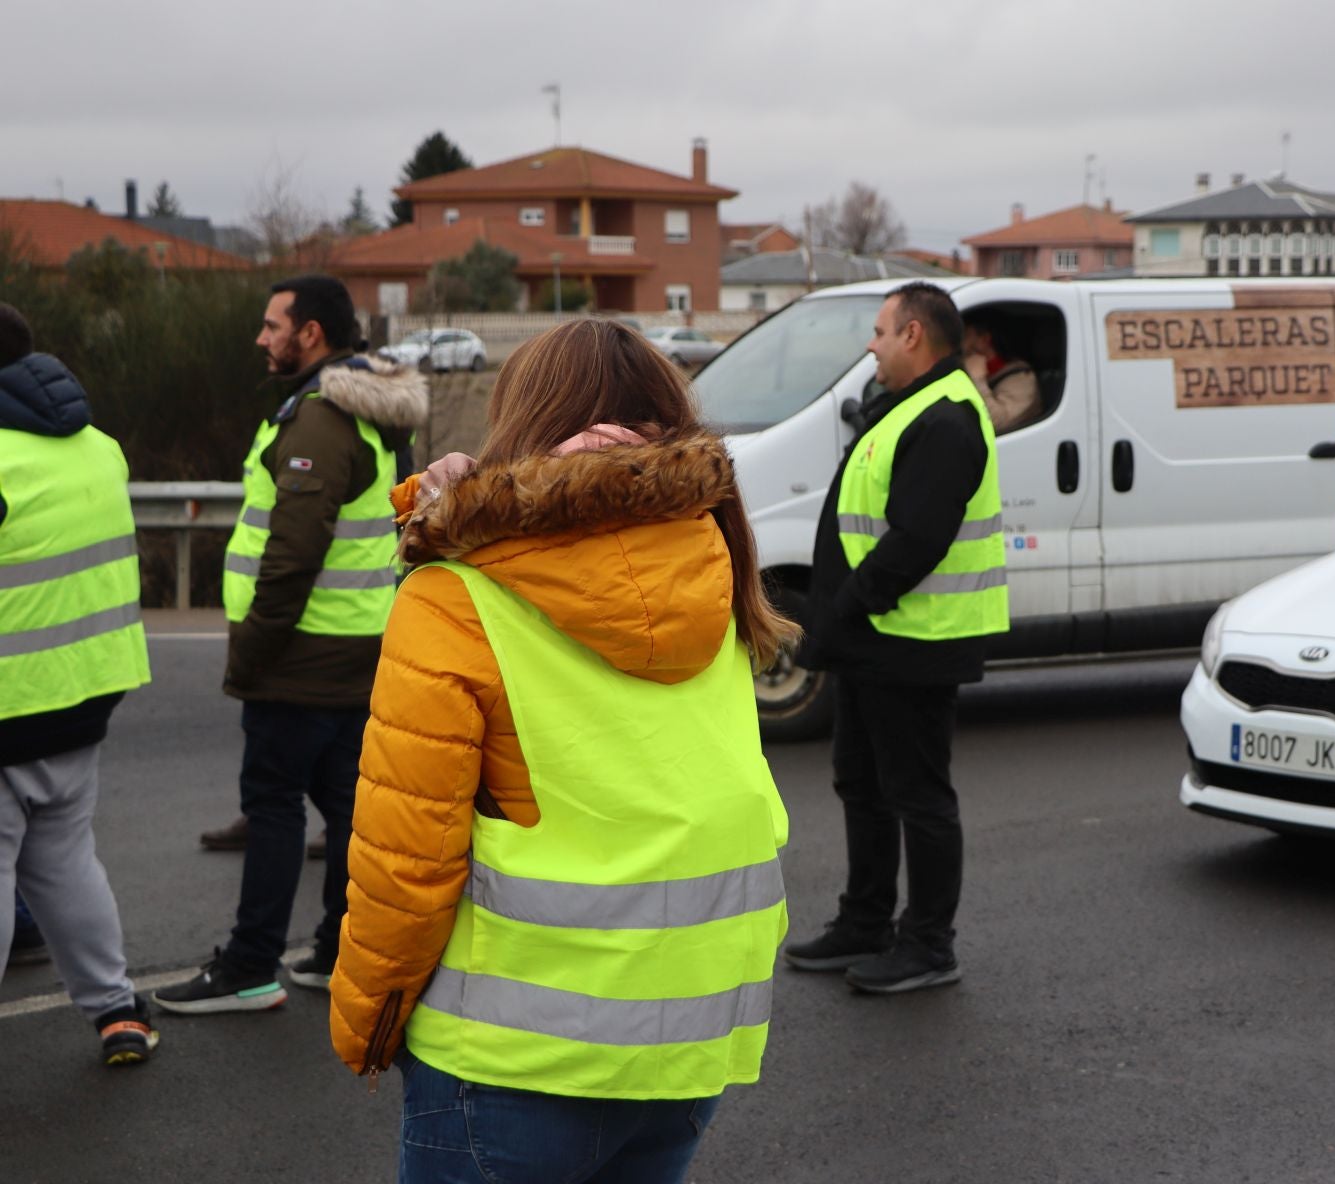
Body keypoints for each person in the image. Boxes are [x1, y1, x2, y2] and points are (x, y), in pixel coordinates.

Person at [329, 318, 792, 1183]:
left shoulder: (455, 596)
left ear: (519, 420)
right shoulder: (714, 561)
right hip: (685, 1042)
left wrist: (368, 1020)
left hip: (509, 1058)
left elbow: (407, 855)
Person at [156, 276, 425, 1014]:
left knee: (274, 805)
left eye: (272, 325)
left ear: (310, 334)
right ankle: (337, 950)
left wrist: (252, 654)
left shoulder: (320, 421)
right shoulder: (375, 413)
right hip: (358, 645)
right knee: (344, 804)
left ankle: (249, 967)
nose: (261, 337)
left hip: (301, 653)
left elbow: (293, 551)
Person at [784, 281, 1009, 994]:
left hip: (912, 640)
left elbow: (917, 540)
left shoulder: (946, 417)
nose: (872, 345)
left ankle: (929, 945)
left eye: (880, 332)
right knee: (863, 783)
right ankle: (865, 921)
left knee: (918, 795)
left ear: (914, 334)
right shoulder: (913, 403)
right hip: (878, 639)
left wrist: (848, 607)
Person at [0, 302, 158, 1065]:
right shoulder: (97, 445)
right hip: (84, 694)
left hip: (7, 700)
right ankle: (117, 1009)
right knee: (63, 861)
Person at [961, 319, 1042, 434]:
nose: (959, 344)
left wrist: (977, 380)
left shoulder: (1022, 380)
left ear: (984, 339)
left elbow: (997, 423)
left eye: (965, 335)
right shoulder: (986, 374)